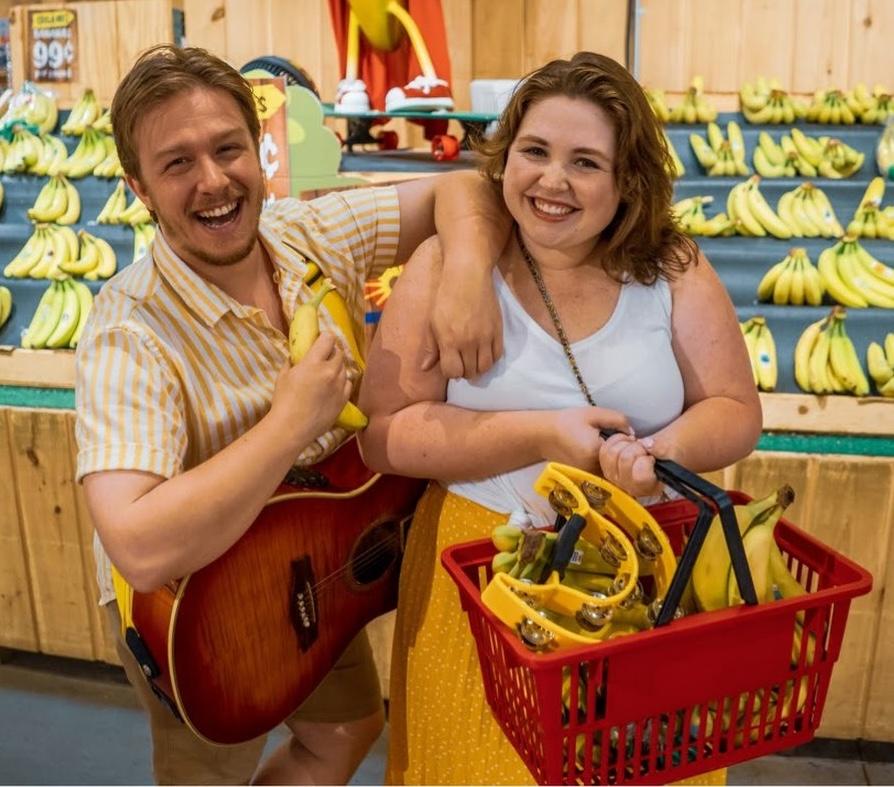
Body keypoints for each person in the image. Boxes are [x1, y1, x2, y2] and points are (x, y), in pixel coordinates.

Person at [74, 45, 509, 786]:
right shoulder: (127, 332)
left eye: (227, 148)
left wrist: (466, 273)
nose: (213, 180)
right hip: (195, 616)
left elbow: (461, 190)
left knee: (346, 727)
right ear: (139, 187)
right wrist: (289, 422)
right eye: (177, 164)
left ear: (259, 149)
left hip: (316, 559)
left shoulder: (306, 235)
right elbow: (139, 545)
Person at [357, 51, 762, 785]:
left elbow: (735, 411)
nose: (552, 181)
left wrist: (654, 451)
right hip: (480, 580)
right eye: (534, 151)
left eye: (585, 162)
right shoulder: (448, 269)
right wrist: (546, 435)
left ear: (626, 181)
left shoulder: (671, 270)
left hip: (639, 575)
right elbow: (384, 434)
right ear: (505, 155)